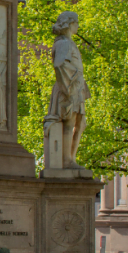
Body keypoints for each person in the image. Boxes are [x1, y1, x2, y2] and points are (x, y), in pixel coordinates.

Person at [46, 11, 91, 168]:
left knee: (80, 123)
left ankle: (71, 158)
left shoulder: (68, 42)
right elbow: (59, 64)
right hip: (69, 88)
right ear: (70, 24)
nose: (78, 25)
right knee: (69, 123)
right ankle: (67, 160)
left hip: (75, 88)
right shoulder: (64, 43)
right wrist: (69, 86)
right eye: (76, 22)